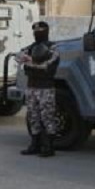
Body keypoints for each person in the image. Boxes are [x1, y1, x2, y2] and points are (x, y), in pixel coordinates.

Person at [18, 21, 61, 157]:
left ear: (46, 32)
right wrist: (27, 59)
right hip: (32, 86)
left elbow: (47, 66)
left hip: (45, 88)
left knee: (47, 117)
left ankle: (49, 147)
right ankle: (35, 144)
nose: (37, 34)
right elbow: (19, 57)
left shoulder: (53, 48)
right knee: (33, 116)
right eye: (35, 32)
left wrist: (30, 62)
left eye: (40, 31)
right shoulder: (31, 47)